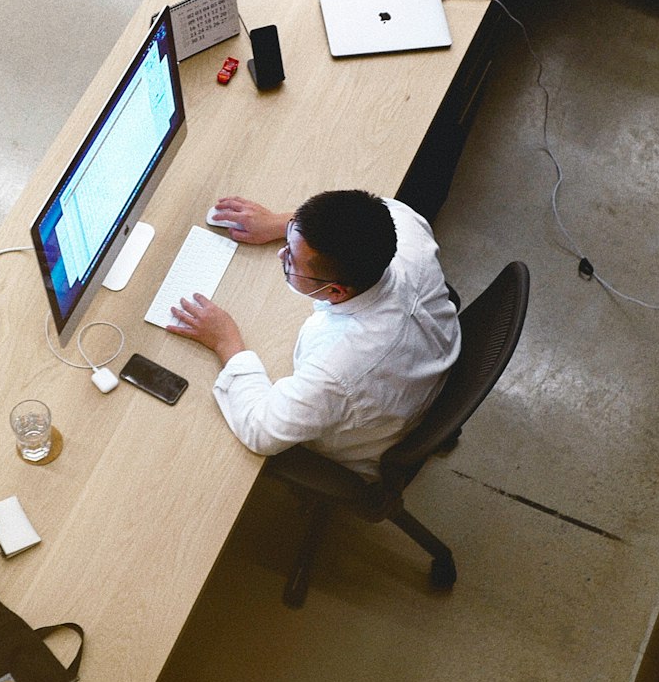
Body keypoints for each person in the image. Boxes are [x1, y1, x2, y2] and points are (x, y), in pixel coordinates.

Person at [166, 190, 461, 480]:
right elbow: (363, 212)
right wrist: (279, 224)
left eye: (291, 260)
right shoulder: (403, 223)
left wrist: (225, 341)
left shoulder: (337, 367)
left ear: (335, 290)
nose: (282, 252)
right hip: (425, 372)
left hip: (373, 437)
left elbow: (261, 430)